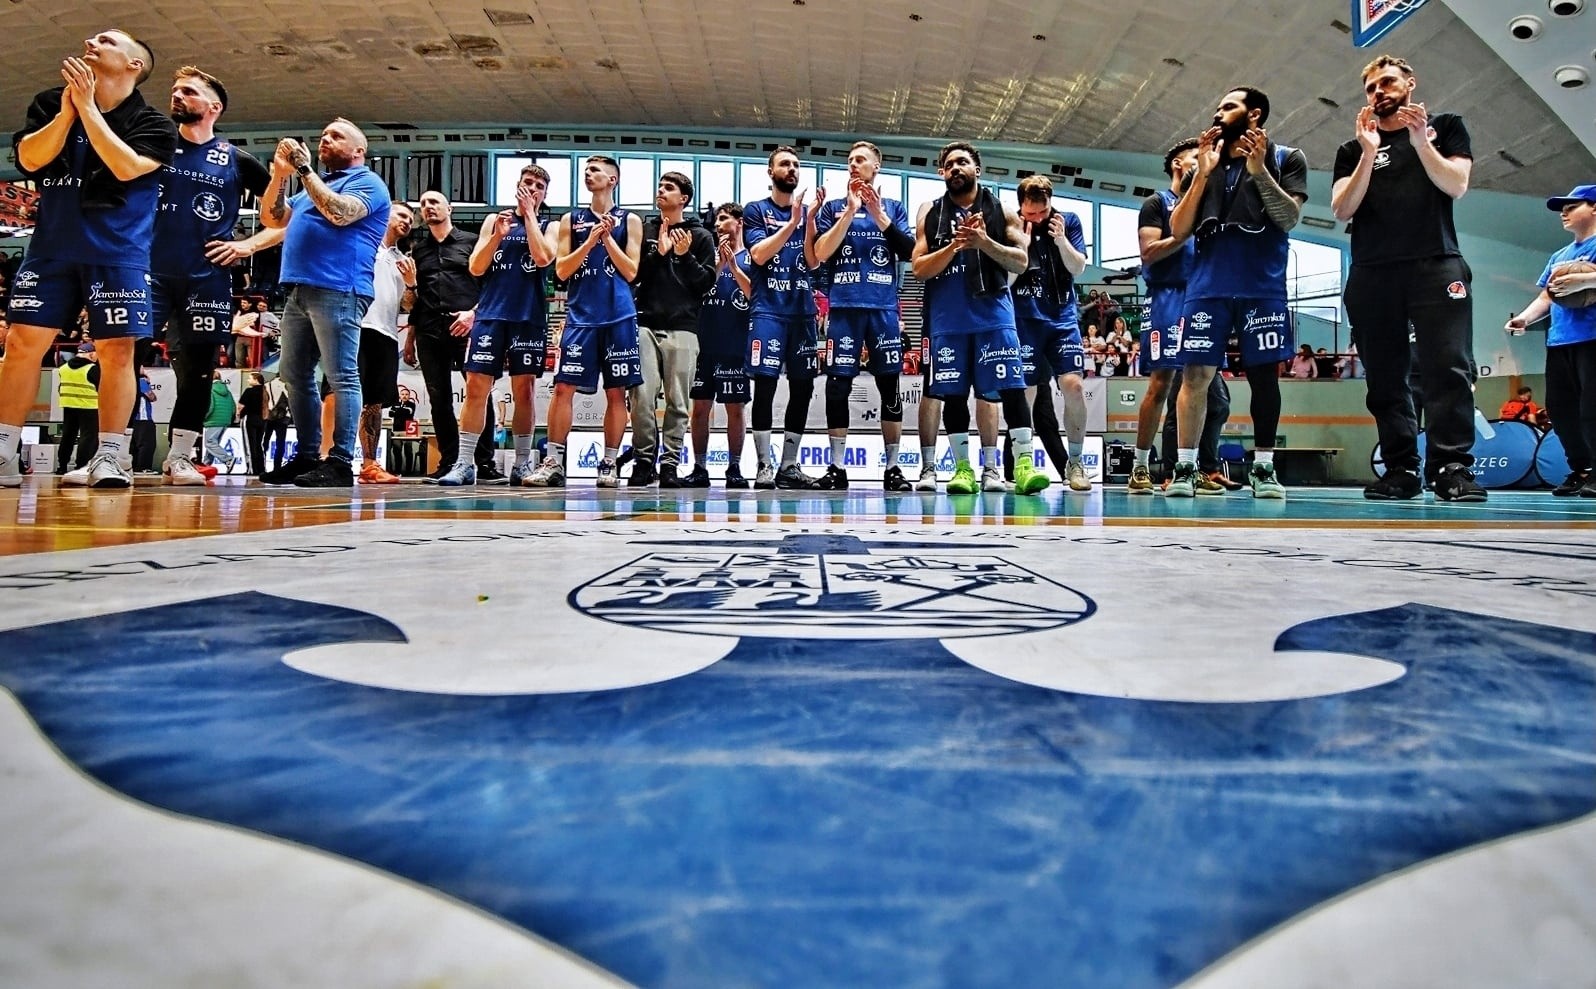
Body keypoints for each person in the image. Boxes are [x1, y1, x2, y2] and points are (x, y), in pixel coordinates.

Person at [0, 29, 177, 489]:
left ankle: (111, 456)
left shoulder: (155, 125)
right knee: (20, 344)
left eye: (107, 41)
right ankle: (3, 451)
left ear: (134, 65)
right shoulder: (50, 102)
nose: (92, 42)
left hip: (117, 252)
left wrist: (88, 110)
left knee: (117, 351)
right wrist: (67, 114)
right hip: (51, 249)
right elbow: (29, 160)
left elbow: (125, 166)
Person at [1332, 55, 1484, 502]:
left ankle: (1451, 467)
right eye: (1371, 88)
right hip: (1373, 272)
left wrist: (1420, 142)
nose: (1379, 92)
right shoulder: (1352, 150)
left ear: (1409, 83)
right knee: (1384, 377)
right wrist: (1368, 152)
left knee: (1448, 367)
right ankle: (1400, 468)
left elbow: (1456, 185)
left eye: (1387, 82)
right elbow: (1342, 208)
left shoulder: (1445, 127)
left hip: (1436, 264)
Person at [1165, 86, 1307, 500]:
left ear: (1254, 114)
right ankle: (1186, 468)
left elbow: (1289, 218)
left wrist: (1260, 172)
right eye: (1217, 107)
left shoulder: (1286, 158)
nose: (1218, 113)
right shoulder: (1202, 165)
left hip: (1261, 287)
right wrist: (1202, 174)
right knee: (1195, 376)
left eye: (1228, 107)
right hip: (1207, 287)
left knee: (1264, 377)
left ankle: (1264, 468)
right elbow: (1179, 230)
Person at [148, 66, 276, 485]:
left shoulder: (236, 160)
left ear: (214, 107)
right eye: (175, 90)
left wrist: (246, 246)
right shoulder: (152, 146)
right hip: (147, 271)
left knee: (199, 369)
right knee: (123, 358)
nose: (177, 95)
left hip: (206, 278)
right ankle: (109, 454)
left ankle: (180, 457)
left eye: (188, 91)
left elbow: (287, 218)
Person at [256, 117, 391, 487]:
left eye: (336, 136)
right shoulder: (311, 188)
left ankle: (341, 461)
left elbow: (339, 213)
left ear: (359, 150)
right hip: (299, 291)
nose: (325, 139)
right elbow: (272, 218)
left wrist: (303, 169)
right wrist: (279, 175)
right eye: (324, 135)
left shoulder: (367, 182)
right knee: (293, 374)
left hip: (340, 288)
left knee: (341, 375)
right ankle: (307, 455)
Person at [910, 141, 1049, 496]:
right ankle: (963, 469)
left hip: (993, 316)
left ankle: (1023, 466)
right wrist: (955, 245)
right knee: (954, 395)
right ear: (942, 173)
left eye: (962, 162)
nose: (955, 168)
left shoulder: (1002, 210)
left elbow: (1020, 261)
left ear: (977, 169)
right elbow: (919, 268)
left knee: (1011, 390)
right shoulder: (931, 212)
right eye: (949, 165)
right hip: (949, 320)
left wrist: (984, 242)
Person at [806, 141, 916, 490]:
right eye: (850, 160)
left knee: (890, 387)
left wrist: (877, 213)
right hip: (844, 309)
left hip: (882, 310)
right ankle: (837, 467)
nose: (853, 165)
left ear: (876, 167)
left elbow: (909, 251)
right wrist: (851, 211)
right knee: (837, 387)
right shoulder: (834, 207)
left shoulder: (894, 207)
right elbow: (821, 253)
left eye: (861, 160)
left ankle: (893, 468)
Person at [529, 155, 643, 487]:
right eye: (586, 170)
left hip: (619, 315)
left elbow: (631, 272)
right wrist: (591, 241)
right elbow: (562, 271)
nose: (588, 174)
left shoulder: (630, 220)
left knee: (616, 392)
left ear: (612, 180)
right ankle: (553, 462)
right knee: (563, 388)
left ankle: (608, 463)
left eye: (595, 170)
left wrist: (607, 239)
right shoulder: (571, 219)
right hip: (581, 316)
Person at [439, 165, 555, 486]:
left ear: (545, 194)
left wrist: (529, 216)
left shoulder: (551, 225)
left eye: (539, 186)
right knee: (476, 387)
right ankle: (465, 463)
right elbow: (476, 267)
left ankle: (521, 464)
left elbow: (543, 258)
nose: (532, 189)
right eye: (527, 183)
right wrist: (497, 237)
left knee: (524, 391)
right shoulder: (495, 220)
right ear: (517, 186)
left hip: (528, 317)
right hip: (490, 314)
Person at [1130, 139, 1218, 495]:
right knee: (1161, 383)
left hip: (1204, 296)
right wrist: (1182, 234)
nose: (1204, 161)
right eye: (1196, 157)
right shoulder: (1156, 203)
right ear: (1178, 165)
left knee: (1200, 384)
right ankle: (1140, 467)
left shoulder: (1210, 203)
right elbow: (1149, 252)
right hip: (1168, 296)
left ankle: (1188, 467)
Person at [740, 146, 824, 489]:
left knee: (803, 388)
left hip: (802, 312)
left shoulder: (808, 213)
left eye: (796, 165)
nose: (792, 169)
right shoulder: (756, 210)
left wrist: (809, 221)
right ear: (770, 171)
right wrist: (792, 223)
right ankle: (764, 465)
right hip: (769, 311)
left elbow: (814, 261)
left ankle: (788, 466)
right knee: (765, 386)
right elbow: (759, 255)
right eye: (785, 164)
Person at [1506, 185, 1596, 496]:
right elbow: (1547, 296)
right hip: (1560, 343)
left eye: (1572, 207)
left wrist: (1585, 279)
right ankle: (1582, 469)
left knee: (1592, 409)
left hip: (1592, 340)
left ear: (1594, 207)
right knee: (1561, 411)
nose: (1564, 213)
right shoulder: (1560, 256)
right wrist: (1524, 318)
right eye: (1562, 209)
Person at [405, 190, 498, 482]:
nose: (428, 207)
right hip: (429, 329)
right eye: (423, 204)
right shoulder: (418, 250)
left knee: (479, 393)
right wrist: (410, 337)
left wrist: (473, 314)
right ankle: (448, 462)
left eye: (434, 202)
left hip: (468, 326)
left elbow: (492, 286)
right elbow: (415, 300)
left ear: (450, 208)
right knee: (438, 398)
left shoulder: (472, 242)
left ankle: (484, 463)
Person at [630, 170, 716, 487]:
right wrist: (660, 253)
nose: (661, 191)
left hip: (684, 326)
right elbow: (635, 275)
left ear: (684, 199)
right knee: (641, 397)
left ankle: (669, 464)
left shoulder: (702, 236)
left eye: (669, 188)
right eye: (660, 186)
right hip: (645, 322)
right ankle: (643, 461)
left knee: (678, 402)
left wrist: (683, 256)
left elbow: (705, 284)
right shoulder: (646, 229)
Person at [1010, 175, 1092, 491]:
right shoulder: (1011, 224)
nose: (1037, 218)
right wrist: (1022, 245)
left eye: (1042, 212)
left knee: (1074, 386)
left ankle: (1076, 462)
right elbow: (1006, 278)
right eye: (1030, 213)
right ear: (1021, 206)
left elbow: (1078, 268)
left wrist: (1061, 241)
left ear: (1050, 204)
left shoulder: (1068, 221)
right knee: (1027, 394)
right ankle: (1023, 462)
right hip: (1025, 319)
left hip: (1062, 319)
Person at [685, 204, 754, 488]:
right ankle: (699, 467)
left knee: (735, 408)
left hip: (735, 346)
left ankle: (734, 468)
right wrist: (719, 265)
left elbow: (754, 296)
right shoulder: (707, 257)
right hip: (703, 345)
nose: (718, 224)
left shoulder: (752, 258)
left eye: (724, 219)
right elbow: (695, 292)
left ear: (739, 223)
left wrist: (734, 267)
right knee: (700, 408)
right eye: (717, 220)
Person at [353, 200, 414, 484]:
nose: (407, 221)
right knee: (338, 395)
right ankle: (328, 456)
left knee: (374, 404)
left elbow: (409, 305)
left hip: (387, 334)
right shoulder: (363, 244)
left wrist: (411, 282)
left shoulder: (403, 260)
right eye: (402, 215)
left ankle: (369, 464)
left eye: (411, 220)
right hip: (357, 327)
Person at [55, 339, 101, 473]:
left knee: (68, 436)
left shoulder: (63, 368)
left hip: (68, 405)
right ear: (91, 354)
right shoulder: (92, 369)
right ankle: (82, 465)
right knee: (88, 436)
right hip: (89, 406)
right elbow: (101, 388)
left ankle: (62, 465)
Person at [201, 368, 236, 472]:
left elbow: (209, 406)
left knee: (210, 443)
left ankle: (228, 459)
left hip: (213, 420)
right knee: (213, 444)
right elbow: (233, 407)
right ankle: (206, 465)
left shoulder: (210, 389)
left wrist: (204, 418)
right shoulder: (227, 391)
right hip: (225, 421)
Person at [237, 370, 266, 474]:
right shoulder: (265, 391)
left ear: (256, 380)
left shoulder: (249, 391)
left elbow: (240, 406)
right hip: (263, 419)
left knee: (250, 444)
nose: (248, 380)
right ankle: (261, 468)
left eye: (250, 378)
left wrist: (238, 415)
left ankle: (252, 469)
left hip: (250, 418)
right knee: (259, 444)